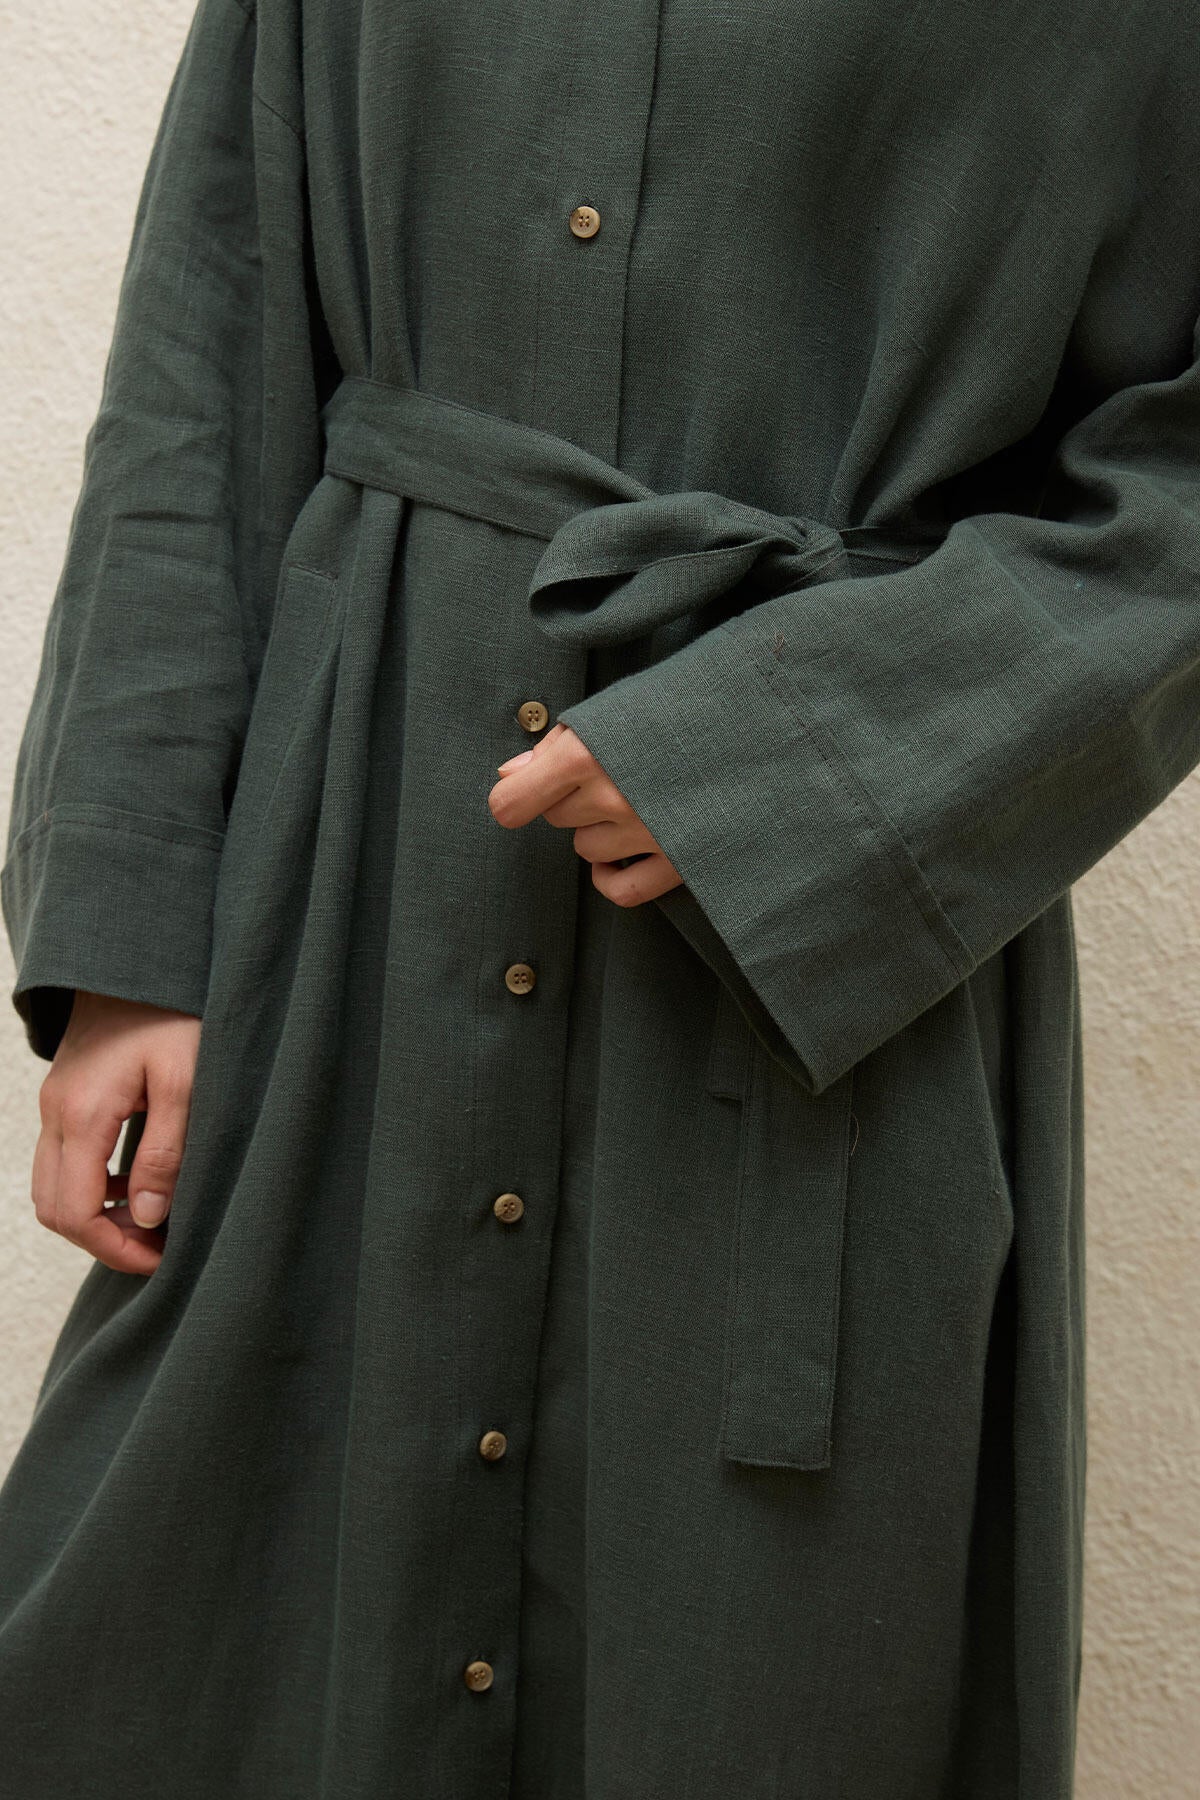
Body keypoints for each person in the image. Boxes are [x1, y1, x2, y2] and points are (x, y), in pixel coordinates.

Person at [1, 0, 1198, 1794]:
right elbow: (208, 334)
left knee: (749, 1673)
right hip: (340, 912)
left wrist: (799, 755)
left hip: (818, 987)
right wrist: (132, 941)